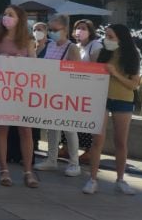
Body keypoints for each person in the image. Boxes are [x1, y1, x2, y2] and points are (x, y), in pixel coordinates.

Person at [0, 5, 39, 188]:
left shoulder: (28, 40)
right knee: (2, 129)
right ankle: (4, 169)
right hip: (1, 90)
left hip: (21, 91)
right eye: (5, 14)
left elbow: (35, 65)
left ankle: (28, 171)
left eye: (10, 14)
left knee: (26, 130)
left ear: (19, 19)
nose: (6, 17)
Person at [83, 24, 141, 195]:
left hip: (123, 100)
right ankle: (92, 179)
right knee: (97, 141)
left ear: (120, 38)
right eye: (105, 36)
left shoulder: (131, 56)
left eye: (110, 37)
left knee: (120, 142)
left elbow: (133, 85)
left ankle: (121, 179)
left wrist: (115, 73)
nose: (106, 40)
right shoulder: (102, 53)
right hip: (102, 99)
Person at [33, 14, 83, 178]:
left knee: (69, 128)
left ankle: (74, 163)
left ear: (65, 29)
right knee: (52, 128)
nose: (52, 32)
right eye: (51, 29)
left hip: (67, 93)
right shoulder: (51, 45)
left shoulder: (72, 48)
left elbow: (77, 74)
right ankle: (51, 159)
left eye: (55, 29)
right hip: (51, 92)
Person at [72, 19, 102, 163]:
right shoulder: (76, 46)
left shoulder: (95, 45)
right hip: (77, 88)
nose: (80, 31)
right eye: (78, 28)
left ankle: (89, 151)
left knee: (87, 120)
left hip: (90, 89)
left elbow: (96, 68)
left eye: (83, 28)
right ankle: (69, 147)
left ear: (90, 31)